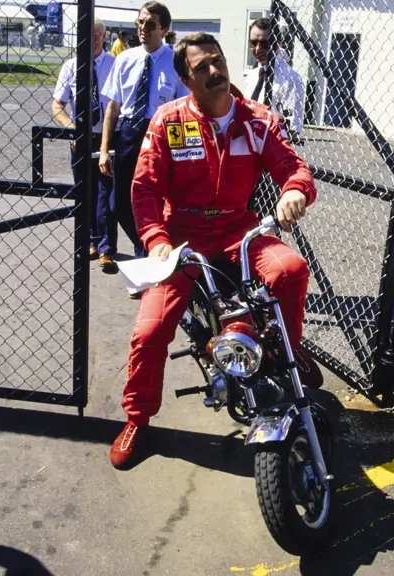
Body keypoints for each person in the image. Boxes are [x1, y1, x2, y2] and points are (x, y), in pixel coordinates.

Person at [107, 32, 325, 469]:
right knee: (149, 333)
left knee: (291, 270)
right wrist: (158, 241)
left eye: (217, 61)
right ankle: (137, 419)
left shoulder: (258, 119)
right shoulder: (167, 121)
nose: (214, 71)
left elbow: (290, 165)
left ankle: (287, 351)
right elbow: (145, 189)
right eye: (202, 67)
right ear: (187, 79)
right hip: (183, 238)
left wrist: (294, 190)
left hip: (237, 229)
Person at [99, 2, 190, 292]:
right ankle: (148, 248)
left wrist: (182, 152)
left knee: (158, 201)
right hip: (128, 133)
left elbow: (184, 107)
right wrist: (104, 149)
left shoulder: (175, 61)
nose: (142, 29)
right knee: (118, 203)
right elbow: (112, 107)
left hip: (162, 133)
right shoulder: (125, 59)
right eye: (140, 22)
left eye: (150, 24)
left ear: (164, 29)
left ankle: (149, 267)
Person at [51, 17, 119, 268]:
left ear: (103, 36)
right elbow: (57, 104)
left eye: (95, 34)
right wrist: (72, 130)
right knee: (85, 192)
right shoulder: (70, 67)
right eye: (85, 35)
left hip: (108, 137)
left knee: (107, 194)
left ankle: (107, 248)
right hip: (81, 140)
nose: (91, 40)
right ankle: (90, 240)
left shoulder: (115, 64)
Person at [244, 17, 305, 143]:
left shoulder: (291, 79)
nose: (258, 49)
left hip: (273, 147)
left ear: (277, 43)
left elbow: (292, 127)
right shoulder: (252, 76)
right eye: (253, 43)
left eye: (264, 43)